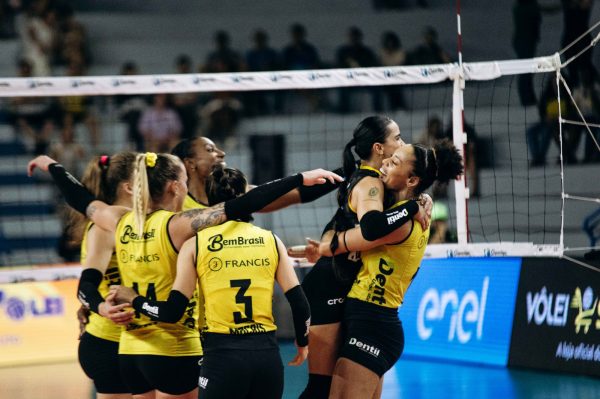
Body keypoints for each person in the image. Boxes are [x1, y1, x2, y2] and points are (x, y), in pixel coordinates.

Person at [27, 152, 342, 399]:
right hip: (175, 347)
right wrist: (300, 177)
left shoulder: (116, 220)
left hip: (131, 350)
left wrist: (53, 166)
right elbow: (241, 205)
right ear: (176, 186)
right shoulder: (177, 225)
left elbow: (79, 199)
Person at [109, 165, 311, 399]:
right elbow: (300, 303)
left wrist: (135, 300)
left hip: (222, 357)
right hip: (266, 355)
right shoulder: (271, 240)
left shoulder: (195, 244)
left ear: (211, 201)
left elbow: (171, 312)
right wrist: (302, 341)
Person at [320, 139, 464, 399]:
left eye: (395, 161)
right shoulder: (406, 212)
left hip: (373, 324)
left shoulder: (399, 223)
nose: (385, 162)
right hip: (373, 321)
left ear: (411, 181)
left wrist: (330, 234)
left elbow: (331, 245)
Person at [298, 116, 429, 399]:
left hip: (361, 304)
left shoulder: (382, 189)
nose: (402, 143)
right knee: (321, 388)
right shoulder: (372, 183)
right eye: (397, 138)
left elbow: (344, 228)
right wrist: (412, 207)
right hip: (331, 288)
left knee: (330, 388)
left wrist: (416, 202)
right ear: (379, 148)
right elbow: (369, 229)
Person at [75, 152, 137, 399]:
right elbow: (87, 285)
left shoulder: (136, 222)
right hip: (111, 342)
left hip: (139, 341)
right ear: (129, 187)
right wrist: (99, 307)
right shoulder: (105, 226)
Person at [171, 137, 226, 210]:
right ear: (190, 163)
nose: (222, 153)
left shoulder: (231, 194)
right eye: (210, 149)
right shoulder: (177, 207)